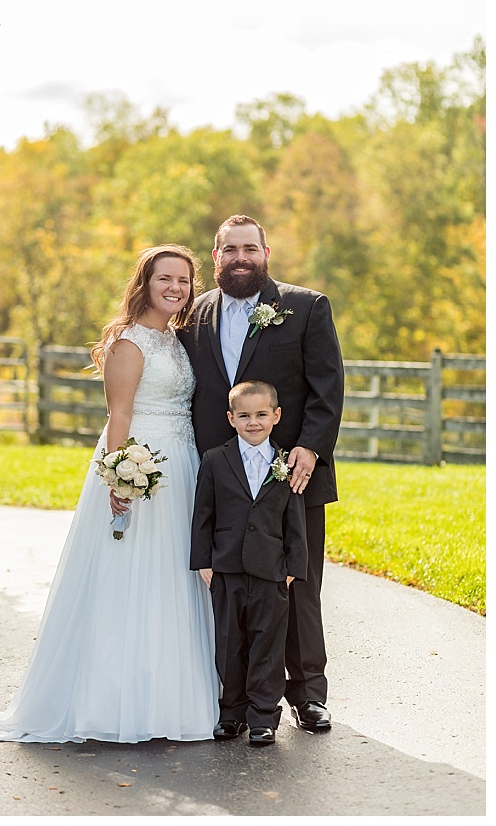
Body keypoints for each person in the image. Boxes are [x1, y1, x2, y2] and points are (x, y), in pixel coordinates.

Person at [0, 245, 219, 744]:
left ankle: (169, 697)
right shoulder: (129, 342)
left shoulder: (174, 339)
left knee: (176, 574)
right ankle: (114, 700)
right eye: (165, 278)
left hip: (183, 464)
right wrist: (120, 476)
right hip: (143, 463)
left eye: (183, 280)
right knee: (132, 575)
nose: (175, 288)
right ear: (144, 283)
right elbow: (120, 414)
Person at [178, 214, 343, 732]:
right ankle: (238, 700)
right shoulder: (193, 315)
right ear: (216, 257)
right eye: (230, 250)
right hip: (222, 479)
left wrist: (310, 448)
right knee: (231, 592)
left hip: (291, 475)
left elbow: (327, 387)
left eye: (250, 249)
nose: (241, 258)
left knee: (297, 584)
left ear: (266, 253)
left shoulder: (305, 307)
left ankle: (308, 693)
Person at [191, 380, 307, 746]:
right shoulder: (215, 459)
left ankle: (263, 717)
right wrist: (203, 561)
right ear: (231, 418)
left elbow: (295, 521)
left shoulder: (286, 463)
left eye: (260, 414)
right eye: (244, 416)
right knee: (229, 643)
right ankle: (232, 713)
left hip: (272, 571)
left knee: (267, 646)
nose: (253, 422)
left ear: (276, 415)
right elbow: (203, 515)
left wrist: (293, 567)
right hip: (226, 569)